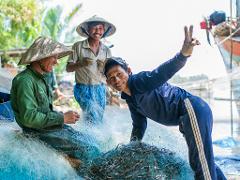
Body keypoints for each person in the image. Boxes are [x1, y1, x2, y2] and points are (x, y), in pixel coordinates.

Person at [103, 26, 226, 180]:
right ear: (108, 82)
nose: (117, 80)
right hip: (186, 117)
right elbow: (139, 125)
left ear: (128, 71)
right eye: (111, 77)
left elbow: (162, 73)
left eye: (119, 74)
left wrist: (183, 55)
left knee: (200, 165)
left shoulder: (138, 81)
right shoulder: (130, 98)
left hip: (191, 108)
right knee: (202, 160)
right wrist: (130, 149)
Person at [10, 37, 100, 168]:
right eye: (54, 57)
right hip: (38, 132)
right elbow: (28, 118)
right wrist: (62, 118)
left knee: (90, 141)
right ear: (41, 57)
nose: (56, 62)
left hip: (49, 127)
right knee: (89, 150)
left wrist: (63, 117)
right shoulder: (25, 80)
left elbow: (44, 110)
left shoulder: (42, 78)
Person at [66, 15, 116, 124]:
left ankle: (91, 137)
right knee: (92, 114)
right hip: (82, 88)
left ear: (104, 31)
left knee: (97, 117)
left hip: (100, 89)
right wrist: (81, 64)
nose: (98, 31)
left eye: (101, 28)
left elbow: (110, 73)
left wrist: (103, 67)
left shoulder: (106, 50)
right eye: (94, 27)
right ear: (87, 29)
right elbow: (68, 68)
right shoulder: (78, 46)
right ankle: (92, 138)